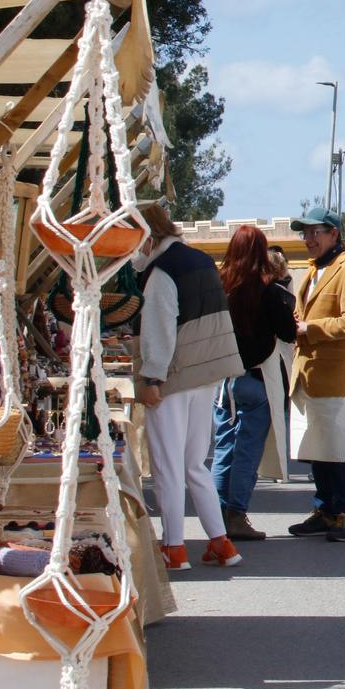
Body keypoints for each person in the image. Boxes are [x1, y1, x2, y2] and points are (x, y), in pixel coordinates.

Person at [132, 201, 245, 570]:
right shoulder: (197, 260)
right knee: (195, 463)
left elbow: (159, 332)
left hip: (174, 376)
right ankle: (220, 542)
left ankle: (174, 547)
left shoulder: (162, 271)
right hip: (207, 374)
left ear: (146, 236)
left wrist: (151, 377)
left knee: (167, 466)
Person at [289, 206, 345, 543]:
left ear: (333, 234)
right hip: (307, 371)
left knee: (336, 446)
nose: (308, 239)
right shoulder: (313, 270)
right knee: (315, 445)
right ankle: (325, 508)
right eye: (304, 233)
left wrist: (309, 328)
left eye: (314, 233)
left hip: (334, 373)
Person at [213, 225, 296, 541]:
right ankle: (236, 515)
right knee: (247, 454)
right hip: (258, 380)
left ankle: (215, 515)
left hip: (224, 382)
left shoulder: (219, 288)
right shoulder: (270, 291)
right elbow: (288, 333)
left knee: (224, 448)